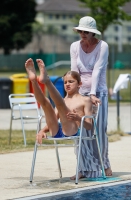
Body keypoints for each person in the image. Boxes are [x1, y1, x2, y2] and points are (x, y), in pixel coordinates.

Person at [25, 58, 92, 163]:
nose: (67, 84)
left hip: (73, 131)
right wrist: (42, 131)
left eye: (71, 81)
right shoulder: (63, 100)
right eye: (65, 82)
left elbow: (89, 126)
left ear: (79, 84)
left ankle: (46, 80)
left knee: (61, 105)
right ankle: (34, 80)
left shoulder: (85, 100)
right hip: (58, 131)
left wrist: (78, 118)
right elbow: (52, 120)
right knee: (46, 103)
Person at [70, 16, 112, 178]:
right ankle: (83, 167)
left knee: (99, 130)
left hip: (98, 93)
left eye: (86, 31)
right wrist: (75, 95)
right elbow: (74, 71)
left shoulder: (103, 46)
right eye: (80, 30)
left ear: (93, 33)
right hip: (81, 93)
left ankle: (105, 164)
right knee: (81, 131)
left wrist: (93, 93)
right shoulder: (74, 46)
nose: (83, 33)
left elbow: (97, 70)